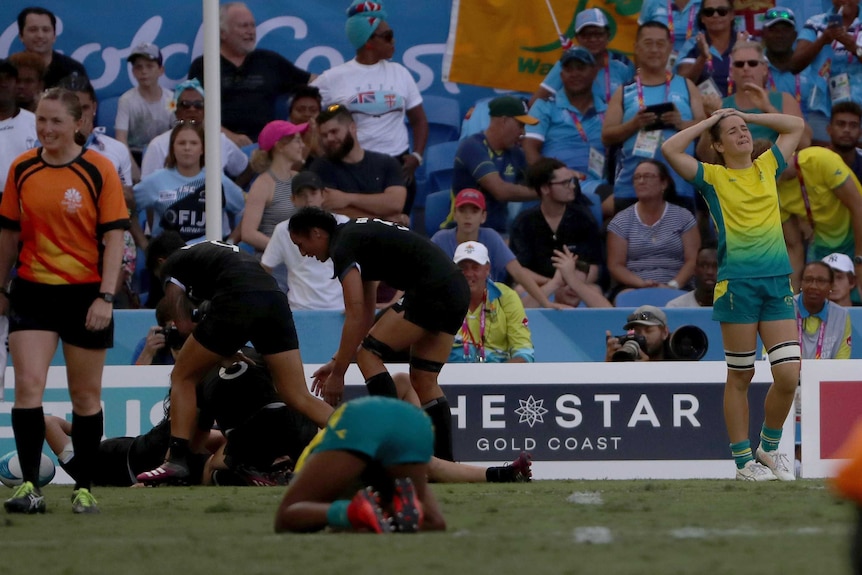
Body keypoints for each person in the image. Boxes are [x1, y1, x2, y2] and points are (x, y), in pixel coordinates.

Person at [0, 87, 129, 513]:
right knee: (27, 388)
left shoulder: (99, 169)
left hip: (86, 294)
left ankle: (84, 487)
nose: (47, 128)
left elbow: (114, 238)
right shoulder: (21, 168)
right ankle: (30, 487)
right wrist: (2, 288)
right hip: (33, 291)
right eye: (41, 120)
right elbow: (8, 234)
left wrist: (106, 298)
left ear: (79, 124)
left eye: (56, 121)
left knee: (85, 397)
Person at [661, 108, 805, 481]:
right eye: (733, 131)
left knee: (789, 375)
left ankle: (768, 448)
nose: (742, 133)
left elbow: (796, 125)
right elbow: (670, 148)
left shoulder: (767, 165)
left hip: (776, 283)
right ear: (719, 145)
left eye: (744, 129)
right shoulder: (712, 177)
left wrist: (745, 112)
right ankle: (744, 463)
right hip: (737, 285)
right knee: (740, 375)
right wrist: (710, 122)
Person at [134, 240, 334, 486]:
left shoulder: (172, 267)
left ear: (161, 263)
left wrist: (189, 333)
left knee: (183, 377)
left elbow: (184, 323)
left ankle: (176, 459)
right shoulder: (213, 256)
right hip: (274, 297)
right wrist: (223, 346)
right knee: (296, 394)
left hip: (239, 296)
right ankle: (355, 436)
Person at [288, 207, 470, 461]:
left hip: (432, 289)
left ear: (317, 233)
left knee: (368, 355)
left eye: (301, 244)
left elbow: (354, 311)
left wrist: (339, 374)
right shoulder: (357, 235)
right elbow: (365, 316)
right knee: (424, 380)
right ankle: (445, 464)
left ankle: (391, 444)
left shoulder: (343, 247)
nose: (303, 252)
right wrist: (336, 360)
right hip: (455, 288)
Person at [312, 0, 428, 216]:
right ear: (368, 42)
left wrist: (417, 157)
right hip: (355, 167)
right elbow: (306, 112)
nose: (393, 41)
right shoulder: (334, 78)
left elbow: (419, 119)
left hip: (396, 166)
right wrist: (320, 150)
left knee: (397, 229)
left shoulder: (400, 73)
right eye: (387, 35)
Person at [274, 395, 445, 533]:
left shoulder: (317, 463)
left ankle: (354, 511)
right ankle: (392, 509)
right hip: (413, 420)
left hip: (362, 421)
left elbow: (292, 516)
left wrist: (346, 515)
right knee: (432, 521)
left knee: (286, 515)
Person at [602, 21, 705, 215]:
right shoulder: (624, 91)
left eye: (660, 44)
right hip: (632, 187)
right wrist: (634, 125)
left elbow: (704, 125)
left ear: (669, 48)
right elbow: (606, 135)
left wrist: (681, 123)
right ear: (636, 48)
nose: (654, 50)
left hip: (679, 184)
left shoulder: (687, 85)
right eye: (648, 43)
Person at [57, 74, 141, 309]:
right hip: (62, 230)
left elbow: (129, 203)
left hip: (105, 230)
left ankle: (106, 303)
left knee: (122, 239)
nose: (80, 116)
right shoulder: (43, 150)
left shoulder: (115, 150)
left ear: (94, 107)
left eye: (84, 108)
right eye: (73, 108)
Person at [188, 2, 313, 145]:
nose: (251, 31)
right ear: (223, 32)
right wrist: (229, 137)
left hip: (267, 147)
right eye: (243, 26)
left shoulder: (269, 60)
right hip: (220, 146)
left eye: (252, 25)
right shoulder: (204, 66)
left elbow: (312, 82)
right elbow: (192, 114)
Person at [430, 188, 563, 309]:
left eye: (474, 211)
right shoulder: (440, 239)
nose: (468, 216)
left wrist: (545, 302)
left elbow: (518, 272)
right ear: (455, 214)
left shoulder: (491, 237)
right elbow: (421, 272)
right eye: (462, 210)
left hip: (488, 307)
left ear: (483, 217)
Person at [509, 158, 605, 306]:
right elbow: (520, 269)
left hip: (576, 284)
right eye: (565, 183)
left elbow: (594, 266)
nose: (572, 186)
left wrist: (571, 283)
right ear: (545, 188)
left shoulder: (583, 219)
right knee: (520, 290)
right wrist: (553, 283)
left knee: (595, 291)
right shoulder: (524, 222)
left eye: (572, 181)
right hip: (540, 284)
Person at [133, 122, 245, 243]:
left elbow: (248, 211)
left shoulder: (218, 180)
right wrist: (145, 246)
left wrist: (230, 243)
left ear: (202, 149)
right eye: (181, 143)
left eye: (193, 143)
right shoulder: (155, 181)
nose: (187, 148)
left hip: (209, 256)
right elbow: (125, 209)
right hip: (169, 256)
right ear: (172, 148)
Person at [606, 159, 700, 298]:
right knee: (629, 299)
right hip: (634, 286)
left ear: (664, 183)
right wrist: (643, 284)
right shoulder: (621, 220)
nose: (641, 181)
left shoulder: (683, 217)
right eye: (637, 177)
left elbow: (692, 260)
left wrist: (672, 285)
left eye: (648, 176)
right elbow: (616, 265)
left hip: (678, 286)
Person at [776, 145, 862, 296]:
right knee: (818, 297)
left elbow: (858, 207)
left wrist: (860, 259)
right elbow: (794, 246)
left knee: (857, 296)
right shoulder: (772, 191)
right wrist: (792, 298)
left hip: (856, 234)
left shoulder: (819, 159)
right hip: (823, 242)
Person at [523, 47, 610, 192]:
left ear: (594, 72)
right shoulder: (544, 106)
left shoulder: (607, 110)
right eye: (569, 69)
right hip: (557, 185)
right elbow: (529, 148)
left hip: (597, 182)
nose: (574, 74)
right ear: (561, 75)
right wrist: (555, 177)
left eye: (581, 68)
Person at [452, 95, 540, 234]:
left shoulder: (516, 153)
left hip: (499, 233)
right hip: (465, 232)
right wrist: (546, 192)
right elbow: (500, 191)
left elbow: (539, 178)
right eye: (520, 125)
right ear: (504, 121)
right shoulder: (472, 147)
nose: (523, 132)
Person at [262, 171, 349, 311]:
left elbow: (364, 266)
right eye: (302, 195)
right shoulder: (282, 230)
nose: (308, 200)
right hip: (300, 310)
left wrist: (355, 304)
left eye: (313, 193)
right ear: (293, 199)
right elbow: (265, 268)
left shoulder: (343, 223)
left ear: (323, 195)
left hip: (340, 310)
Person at [140, 79, 251, 187]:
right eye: (185, 104)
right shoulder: (158, 145)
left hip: (214, 204)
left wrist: (232, 192)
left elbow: (246, 168)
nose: (192, 109)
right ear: (175, 109)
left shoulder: (220, 140)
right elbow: (146, 187)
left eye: (198, 105)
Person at [309, 104, 407, 223]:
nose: (329, 138)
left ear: (352, 128)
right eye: (324, 135)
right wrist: (382, 220)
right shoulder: (320, 167)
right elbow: (332, 210)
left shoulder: (387, 163)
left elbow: (395, 204)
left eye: (334, 131)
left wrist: (347, 199)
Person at [531, 9, 635, 107]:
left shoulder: (623, 63)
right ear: (577, 38)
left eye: (598, 34)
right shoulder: (567, 64)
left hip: (616, 124)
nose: (593, 39)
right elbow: (535, 102)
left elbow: (636, 99)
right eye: (586, 35)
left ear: (607, 36)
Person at [450, 241, 534, 363]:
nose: (468, 273)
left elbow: (524, 351)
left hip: (497, 376)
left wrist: (497, 377)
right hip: (451, 376)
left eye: (475, 267)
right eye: (463, 268)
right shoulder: (443, 298)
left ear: (487, 269)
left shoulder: (506, 297)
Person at [761, 7, 831, 145]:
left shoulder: (810, 68)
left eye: (785, 30)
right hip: (767, 139)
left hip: (808, 140)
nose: (779, 35)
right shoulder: (753, 66)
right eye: (773, 30)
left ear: (795, 35)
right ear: (764, 34)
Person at [240, 120, 308, 255]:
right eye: (297, 141)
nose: (302, 145)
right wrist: (286, 251)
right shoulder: (263, 185)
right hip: (274, 269)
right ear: (280, 146)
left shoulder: (299, 178)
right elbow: (248, 233)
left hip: (302, 265)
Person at [791, 0, 862, 110]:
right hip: (821, 108)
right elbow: (795, 65)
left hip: (858, 108)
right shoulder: (815, 23)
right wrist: (822, 41)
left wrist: (854, 48)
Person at [115, 43, 173, 166]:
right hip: (135, 156)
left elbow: (179, 132)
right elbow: (121, 139)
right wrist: (131, 168)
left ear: (161, 70)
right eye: (138, 67)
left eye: (149, 66)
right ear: (133, 71)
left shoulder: (172, 100)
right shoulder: (126, 100)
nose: (144, 71)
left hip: (165, 156)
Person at [675, 0, 743, 97]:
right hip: (705, 108)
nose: (715, 15)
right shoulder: (693, 43)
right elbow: (682, 82)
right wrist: (702, 57)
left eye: (722, 11)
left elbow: (763, 78)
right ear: (702, 18)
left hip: (741, 108)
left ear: (732, 15)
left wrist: (742, 54)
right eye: (709, 12)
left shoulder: (746, 41)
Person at [15, 7, 87, 88]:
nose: (40, 35)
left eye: (46, 30)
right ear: (21, 36)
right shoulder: (10, 69)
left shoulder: (72, 69)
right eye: (33, 30)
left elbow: (86, 99)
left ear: (54, 36)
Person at [794, 261, 852, 360]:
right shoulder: (785, 309)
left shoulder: (841, 316)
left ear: (831, 286)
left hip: (829, 374)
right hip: (788, 374)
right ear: (801, 283)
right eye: (808, 280)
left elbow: (842, 363)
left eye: (821, 281)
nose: (813, 286)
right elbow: (771, 356)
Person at [0, 59, 36, 192]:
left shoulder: (35, 123)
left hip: (25, 198)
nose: (3, 84)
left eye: (8, 79)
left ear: (16, 84)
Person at [604, 305, 672, 361]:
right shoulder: (625, 357)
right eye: (637, 331)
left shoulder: (678, 356)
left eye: (649, 330)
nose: (643, 335)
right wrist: (610, 362)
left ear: (665, 333)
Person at [638, 0, 702, 57]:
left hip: (693, 59)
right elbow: (641, 37)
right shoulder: (652, 1)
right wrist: (639, 70)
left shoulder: (704, 2)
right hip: (657, 58)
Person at [287, 85, 323, 166]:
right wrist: (307, 144)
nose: (307, 114)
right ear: (290, 114)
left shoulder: (329, 137)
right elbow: (285, 175)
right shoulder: (282, 141)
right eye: (300, 110)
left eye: (313, 110)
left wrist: (317, 148)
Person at [827, 101, 862, 182]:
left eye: (853, 125)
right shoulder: (815, 162)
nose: (847, 130)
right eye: (841, 124)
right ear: (829, 130)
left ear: (860, 133)